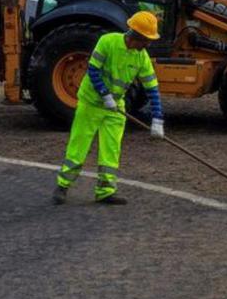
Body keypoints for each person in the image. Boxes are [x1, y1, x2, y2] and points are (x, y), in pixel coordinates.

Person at [53, 11, 164, 205]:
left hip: (115, 107)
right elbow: (93, 70)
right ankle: (63, 185)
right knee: (78, 146)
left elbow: (152, 88)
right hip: (91, 103)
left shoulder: (141, 57)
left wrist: (157, 119)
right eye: (146, 40)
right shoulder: (108, 42)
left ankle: (105, 191)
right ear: (135, 35)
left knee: (111, 150)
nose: (148, 44)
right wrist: (104, 94)